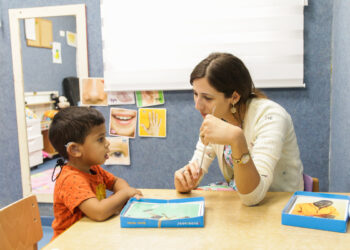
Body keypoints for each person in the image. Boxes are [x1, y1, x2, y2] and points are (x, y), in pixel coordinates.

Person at [174, 52, 304, 206]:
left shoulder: (271, 116)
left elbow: (252, 197)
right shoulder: (217, 116)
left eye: (207, 98)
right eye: (195, 94)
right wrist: (184, 179)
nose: (197, 105)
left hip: (278, 202)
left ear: (235, 97)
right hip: (242, 199)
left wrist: (236, 139)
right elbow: (197, 165)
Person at [49, 106, 142, 239]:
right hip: (70, 242)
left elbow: (116, 181)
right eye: (100, 139)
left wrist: (127, 196)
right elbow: (99, 212)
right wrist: (125, 193)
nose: (107, 143)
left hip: (91, 235)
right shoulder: (70, 179)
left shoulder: (93, 168)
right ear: (75, 150)